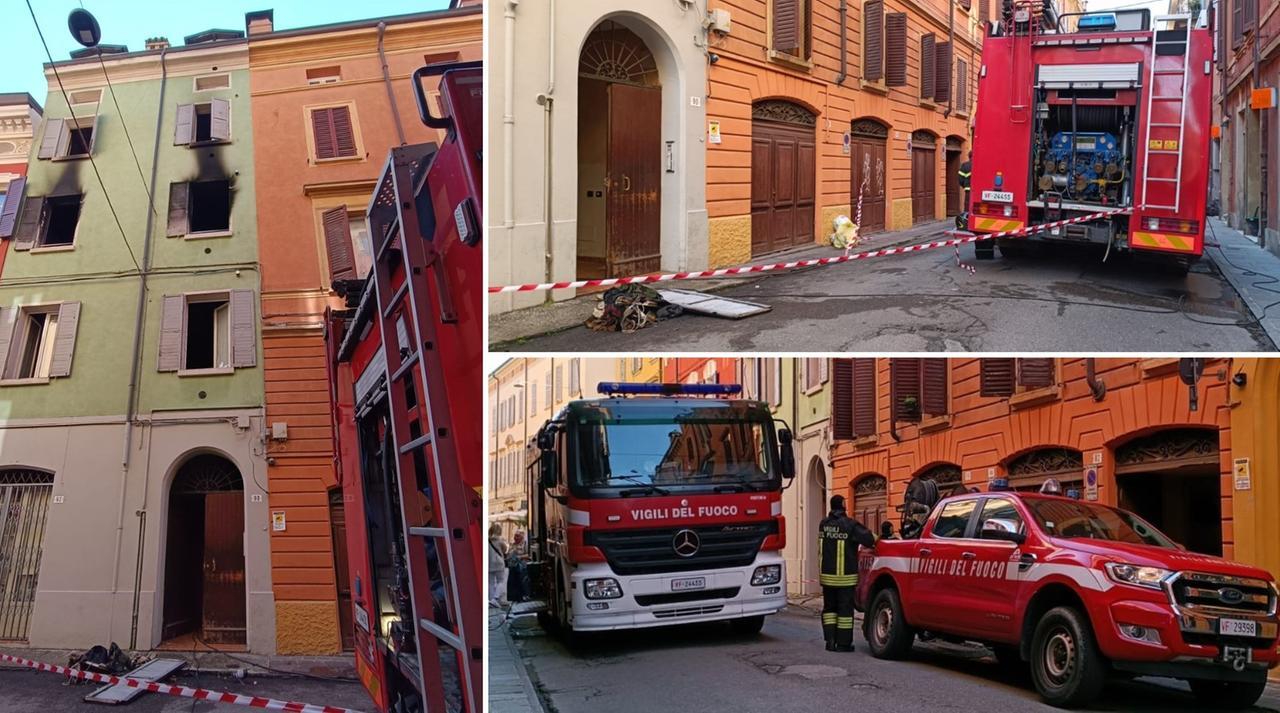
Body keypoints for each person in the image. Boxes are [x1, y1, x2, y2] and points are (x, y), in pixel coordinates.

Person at [819, 495, 878, 652]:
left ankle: (830, 641)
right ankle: (844, 644)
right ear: (844, 505)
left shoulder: (824, 524)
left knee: (829, 609)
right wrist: (882, 539)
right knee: (845, 612)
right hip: (845, 578)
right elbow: (868, 538)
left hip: (827, 577)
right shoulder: (850, 525)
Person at [506, 530, 531, 603]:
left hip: (521, 566)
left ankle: (524, 595)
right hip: (513, 566)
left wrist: (520, 557)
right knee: (512, 582)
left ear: (522, 537)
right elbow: (508, 554)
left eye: (517, 536)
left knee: (522, 581)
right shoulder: (512, 544)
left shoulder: (525, 544)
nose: (515, 537)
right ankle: (514, 597)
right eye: (515, 535)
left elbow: (528, 555)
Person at [488, 523, 510, 608]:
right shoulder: (500, 541)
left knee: (490, 582)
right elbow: (505, 550)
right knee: (501, 581)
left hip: (489, 563)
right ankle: (495, 599)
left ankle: (490, 600)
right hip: (499, 563)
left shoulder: (487, 540)